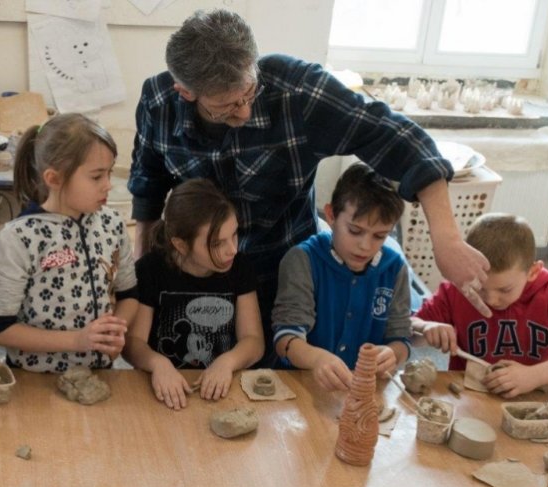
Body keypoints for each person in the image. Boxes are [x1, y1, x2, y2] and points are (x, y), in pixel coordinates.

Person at [128, 8, 491, 366]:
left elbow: (404, 143)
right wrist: (142, 270)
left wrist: (448, 239)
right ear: (186, 92)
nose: (243, 113)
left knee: (280, 377)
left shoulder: (298, 91)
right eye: (225, 107)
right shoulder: (159, 101)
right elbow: (148, 183)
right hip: (198, 271)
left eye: (248, 93)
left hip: (284, 271)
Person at [0, 113, 138, 373]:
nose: (108, 185)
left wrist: (113, 333)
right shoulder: (20, 238)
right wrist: (76, 341)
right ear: (53, 179)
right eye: (97, 176)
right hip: (34, 382)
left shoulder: (112, 224)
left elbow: (130, 295)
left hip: (98, 374)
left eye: (109, 173)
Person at [412, 213, 548, 397]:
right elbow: (406, 332)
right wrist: (425, 328)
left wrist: (533, 376)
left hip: (539, 397)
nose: (491, 300)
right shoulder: (458, 288)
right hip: (472, 397)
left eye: (504, 290)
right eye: (480, 288)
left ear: (533, 272)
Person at [124, 179, 264, 410]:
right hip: (162, 389)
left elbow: (254, 341)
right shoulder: (150, 269)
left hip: (221, 390)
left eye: (234, 234)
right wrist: (158, 364)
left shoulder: (240, 267)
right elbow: (132, 343)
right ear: (180, 244)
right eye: (217, 243)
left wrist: (228, 362)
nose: (232, 249)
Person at [271, 162, 411, 391]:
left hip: (364, 390)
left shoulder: (394, 268)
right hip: (305, 386)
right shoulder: (303, 260)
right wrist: (317, 359)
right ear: (331, 215)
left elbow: (401, 338)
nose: (365, 246)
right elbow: (285, 339)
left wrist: (393, 354)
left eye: (379, 236)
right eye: (355, 231)